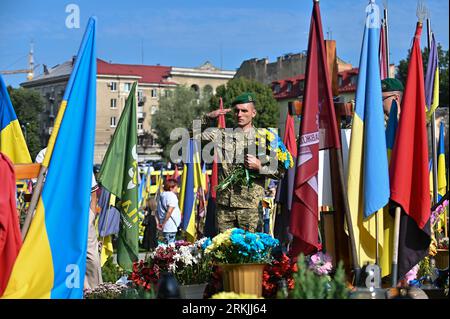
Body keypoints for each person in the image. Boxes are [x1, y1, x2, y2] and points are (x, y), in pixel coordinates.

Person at [199, 92, 288, 233]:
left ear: (253, 113)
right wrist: (207, 117)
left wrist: (260, 166)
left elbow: (281, 173)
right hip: (224, 209)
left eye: (244, 110)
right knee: (223, 252)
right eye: (236, 111)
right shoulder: (222, 135)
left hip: (250, 209)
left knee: (250, 251)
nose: (239, 114)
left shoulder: (265, 139)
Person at [156, 179, 181, 245]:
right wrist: (164, 224)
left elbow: (155, 211)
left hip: (163, 225)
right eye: (176, 187)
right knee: (170, 248)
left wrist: (158, 223)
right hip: (170, 226)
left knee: (163, 248)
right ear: (171, 188)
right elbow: (169, 211)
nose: (177, 189)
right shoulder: (172, 196)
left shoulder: (161, 195)